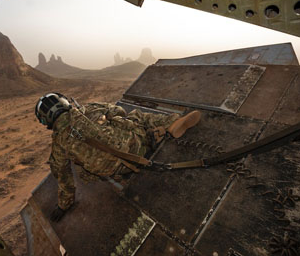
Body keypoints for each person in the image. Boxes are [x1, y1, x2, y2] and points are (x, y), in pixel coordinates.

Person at [35, 92, 201, 222]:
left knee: (79, 165)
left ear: (46, 120)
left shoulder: (57, 146)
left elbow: (65, 181)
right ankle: (170, 123)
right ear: (64, 102)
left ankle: (119, 168)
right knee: (135, 116)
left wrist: (63, 206)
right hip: (136, 148)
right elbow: (119, 111)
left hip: (115, 170)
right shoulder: (90, 108)